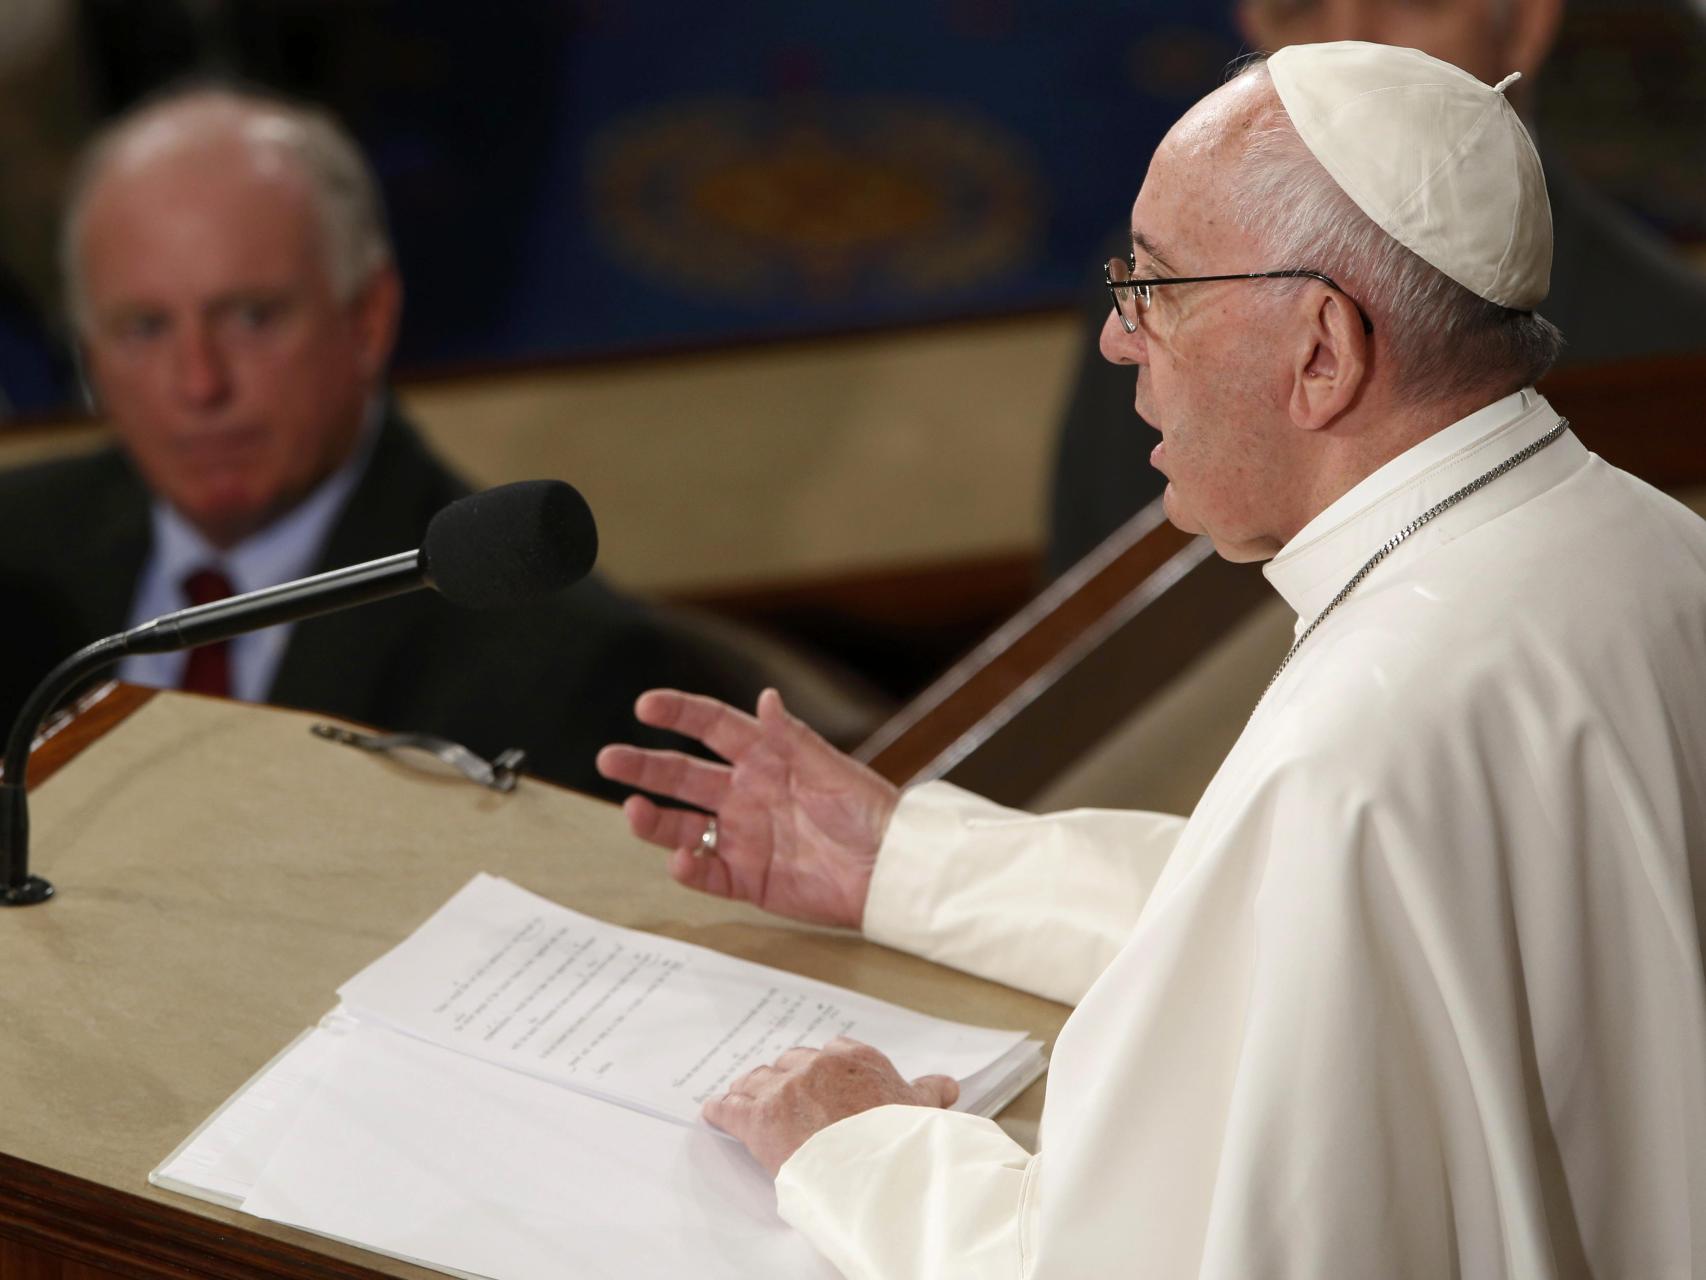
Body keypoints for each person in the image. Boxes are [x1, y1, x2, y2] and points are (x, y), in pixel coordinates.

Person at [597, 42, 1706, 1277]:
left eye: (1159, 288)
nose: (1123, 341)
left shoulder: (1356, 738)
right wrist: (904, 859)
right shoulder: (1657, 549)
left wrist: (857, 1144)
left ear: (1323, 351)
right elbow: (1294, 924)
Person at [0, 86, 770, 799]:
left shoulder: (555, 660)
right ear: (88, 355)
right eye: (144, 328)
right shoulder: (15, 553)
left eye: (251, 318)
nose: (199, 384)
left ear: (367, 320)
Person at [1046, 0, 1706, 576]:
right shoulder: (1153, 291)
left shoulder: (1678, 345)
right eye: (1300, 6)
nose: (1347, 39)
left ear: (1525, 21)